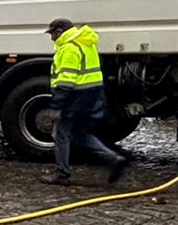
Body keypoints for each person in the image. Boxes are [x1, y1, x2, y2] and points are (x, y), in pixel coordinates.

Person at [44, 17, 131, 186]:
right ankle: (113, 159)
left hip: (75, 97)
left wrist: (57, 106)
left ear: (59, 31)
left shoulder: (69, 48)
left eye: (52, 34)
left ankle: (62, 174)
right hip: (91, 97)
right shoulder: (85, 43)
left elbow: (66, 80)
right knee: (80, 134)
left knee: (60, 134)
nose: (52, 38)